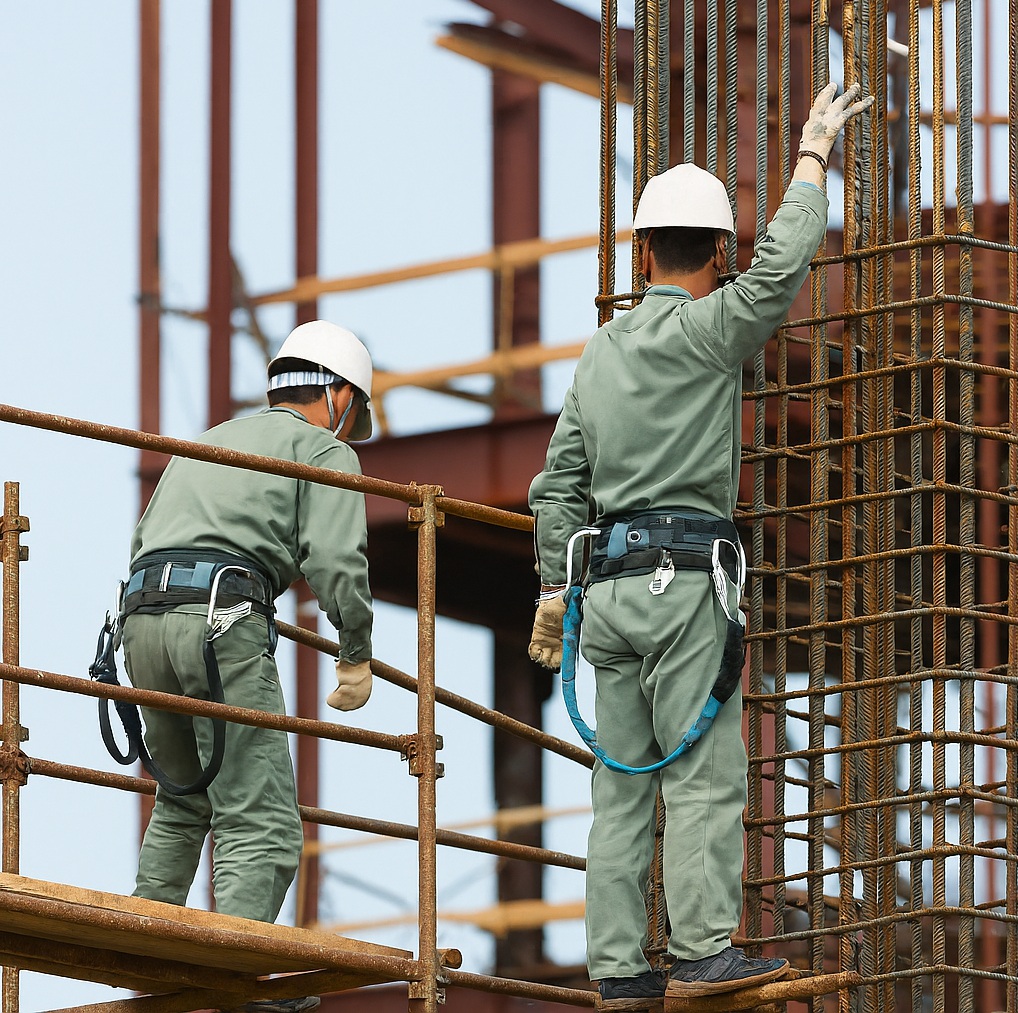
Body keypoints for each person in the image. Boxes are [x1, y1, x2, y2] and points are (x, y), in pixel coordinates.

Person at [527, 83, 874, 1010]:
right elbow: (785, 271)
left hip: (603, 596)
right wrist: (811, 159)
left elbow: (556, 483)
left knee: (619, 789)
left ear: (641, 251)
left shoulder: (600, 353)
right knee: (705, 772)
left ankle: (616, 967)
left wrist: (552, 591)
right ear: (719, 253)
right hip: (684, 589)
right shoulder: (715, 330)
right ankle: (701, 947)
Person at [119, 319, 376, 1013]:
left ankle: (145, 947)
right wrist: (355, 651)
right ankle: (242, 974)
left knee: (182, 796)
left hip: (140, 618)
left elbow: (144, 536)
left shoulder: (204, 441)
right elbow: (337, 560)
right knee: (258, 814)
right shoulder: (322, 447)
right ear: (340, 394)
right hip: (219, 618)